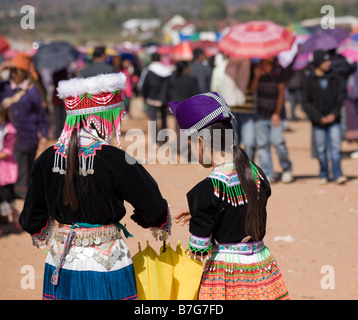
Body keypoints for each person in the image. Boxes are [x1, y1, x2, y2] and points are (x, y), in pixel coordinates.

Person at [19, 73, 171, 300]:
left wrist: (44, 227)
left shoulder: (46, 159)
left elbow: (33, 217)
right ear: (102, 118)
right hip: (107, 259)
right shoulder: (115, 159)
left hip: (62, 257)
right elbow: (152, 204)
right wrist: (155, 220)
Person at [170, 92, 290, 300]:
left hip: (227, 276)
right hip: (262, 268)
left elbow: (198, 250)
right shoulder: (256, 173)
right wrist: (208, 211)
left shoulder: (205, 191)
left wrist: (204, 214)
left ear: (200, 142)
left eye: (189, 144)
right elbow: (242, 207)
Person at [0, 52, 50, 198]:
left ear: (24, 72)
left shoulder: (32, 91)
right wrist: (2, 68)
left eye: (17, 71)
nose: (13, 74)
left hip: (27, 138)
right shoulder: (4, 88)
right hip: (7, 138)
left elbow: (42, 116)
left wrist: (44, 135)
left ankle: (21, 204)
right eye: (12, 70)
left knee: (24, 171)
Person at [302, 50, 347, 184]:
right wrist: (318, 117)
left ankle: (337, 173)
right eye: (325, 61)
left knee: (336, 147)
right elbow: (305, 102)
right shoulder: (309, 80)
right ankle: (323, 173)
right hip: (318, 122)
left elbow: (340, 98)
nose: (329, 63)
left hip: (334, 120)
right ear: (318, 63)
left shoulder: (335, 77)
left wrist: (334, 114)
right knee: (320, 149)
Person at [251, 57, 293, 183]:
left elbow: (281, 93)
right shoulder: (256, 68)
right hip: (260, 113)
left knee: (278, 142)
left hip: (275, 114)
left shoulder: (279, 70)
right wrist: (257, 77)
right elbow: (252, 90)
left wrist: (277, 113)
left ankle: (287, 169)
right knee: (262, 145)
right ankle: (268, 173)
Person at [211, 55, 256, 162]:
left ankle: (249, 169)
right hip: (231, 111)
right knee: (232, 144)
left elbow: (254, 89)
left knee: (249, 143)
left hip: (248, 112)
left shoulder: (253, 68)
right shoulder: (225, 67)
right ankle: (235, 170)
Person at [138, 52, 172, 144]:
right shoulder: (167, 70)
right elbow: (171, 85)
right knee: (164, 117)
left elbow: (142, 85)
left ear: (152, 59)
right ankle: (164, 139)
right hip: (164, 98)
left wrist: (145, 96)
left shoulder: (148, 70)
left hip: (151, 98)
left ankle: (155, 141)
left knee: (153, 118)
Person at [0, 103, 21, 235]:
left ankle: (16, 217)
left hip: (5, 169)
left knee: (7, 197)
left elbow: (8, 151)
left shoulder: (9, 130)